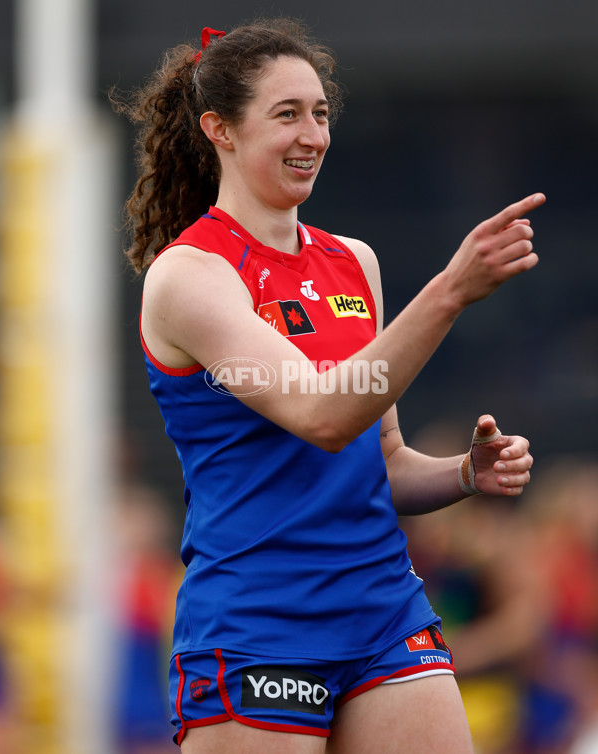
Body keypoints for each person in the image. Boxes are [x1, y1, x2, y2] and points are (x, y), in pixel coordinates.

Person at [112, 17, 544, 754]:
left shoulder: (355, 263)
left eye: (320, 112)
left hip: (383, 607)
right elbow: (322, 415)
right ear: (219, 128)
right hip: (259, 622)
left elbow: (382, 459)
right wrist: (448, 292)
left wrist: (463, 475)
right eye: (287, 114)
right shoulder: (190, 276)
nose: (313, 134)